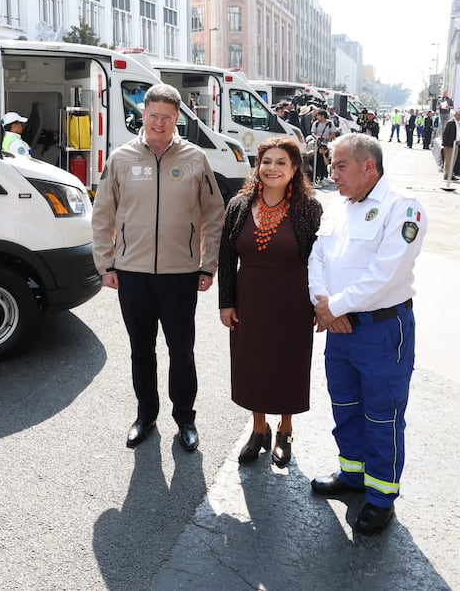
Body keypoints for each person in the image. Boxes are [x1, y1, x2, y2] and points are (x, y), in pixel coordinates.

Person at [91, 83, 225, 452]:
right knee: (141, 348)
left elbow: (215, 214)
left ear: (177, 118)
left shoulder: (196, 158)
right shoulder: (121, 158)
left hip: (181, 272)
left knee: (181, 350)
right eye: (154, 115)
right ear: (143, 115)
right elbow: (102, 215)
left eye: (168, 117)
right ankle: (146, 414)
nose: (160, 123)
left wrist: (207, 264)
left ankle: (185, 418)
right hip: (132, 273)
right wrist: (106, 263)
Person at [307, 132, 427, 535]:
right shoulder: (338, 208)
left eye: (340, 166)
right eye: (332, 164)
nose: (332, 173)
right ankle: (352, 475)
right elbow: (317, 257)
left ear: (368, 167)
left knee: (382, 415)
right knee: (345, 406)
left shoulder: (402, 209)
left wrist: (333, 307)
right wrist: (323, 302)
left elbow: (386, 272)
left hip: (380, 331)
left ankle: (381, 497)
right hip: (339, 331)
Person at [217, 137, 322, 467]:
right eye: (266, 161)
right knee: (253, 364)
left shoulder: (308, 209)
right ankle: (258, 428)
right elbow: (225, 258)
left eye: (281, 163)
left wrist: (321, 304)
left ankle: (285, 429)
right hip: (250, 301)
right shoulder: (239, 205)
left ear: (294, 169)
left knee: (287, 366)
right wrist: (227, 302)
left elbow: (321, 261)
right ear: (257, 166)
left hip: (294, 302)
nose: (272, 168)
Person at [309, 109, 337, 182]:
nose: (317, 117)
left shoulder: (330, 123)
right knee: (317, 160)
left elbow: (333, 134)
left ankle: (323, 176)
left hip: (326, 144)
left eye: (318, 115)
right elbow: (313, 132)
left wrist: (327, 138)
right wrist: (316, 137)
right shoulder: (316, 123)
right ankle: (318, 176)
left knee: (325, 160)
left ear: (323, 116)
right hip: (317, 144)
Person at [441, 109, 460, 181]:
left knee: (453, 160)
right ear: (455, 115)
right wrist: (445, 144)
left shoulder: (459, 123)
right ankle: (447, 174)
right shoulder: (450, 122)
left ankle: (451, 174)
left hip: (456, 144)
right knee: (448, 160)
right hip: (450, 144)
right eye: (458, 115)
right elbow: (445, 133)